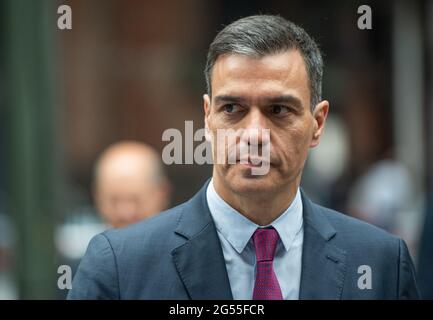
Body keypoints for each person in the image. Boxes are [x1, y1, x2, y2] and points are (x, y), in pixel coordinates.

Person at [68, 15, 419, 299]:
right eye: (232, 108)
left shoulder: (380, 264)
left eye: (278, 109)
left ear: (317, 123)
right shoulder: (120, 267)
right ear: (207, 118)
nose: (254, 135)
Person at [93, 141, 171, 228]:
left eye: (135, 200)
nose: (125, 214)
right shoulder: (85, 241)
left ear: (162, 194)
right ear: (97, 196)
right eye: (114, 201)